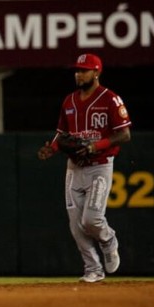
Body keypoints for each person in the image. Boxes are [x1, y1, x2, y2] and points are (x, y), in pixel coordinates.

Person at [37, 53, 132, 283]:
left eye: (84, 70)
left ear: (96, 72)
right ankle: (93, 269)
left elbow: (124, 134)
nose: (78, 74)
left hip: (99, 166)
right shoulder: (69, 101)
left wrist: (95, 145)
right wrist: (52, 148)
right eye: (77, 70)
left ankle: (108, 240)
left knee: (91, 219)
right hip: (74, 168)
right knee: (75, 224)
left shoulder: (110, 99)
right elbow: (62, 134)